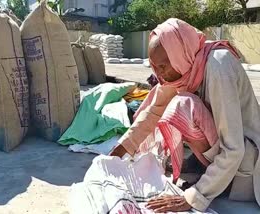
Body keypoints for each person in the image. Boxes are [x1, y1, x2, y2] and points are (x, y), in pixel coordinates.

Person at [110, 18, 260, 213]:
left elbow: (234, 149)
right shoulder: (188, 65)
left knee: (183, 106)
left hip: (246, 168)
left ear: (178, 53)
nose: (160, 75)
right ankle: (206, 169)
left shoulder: (218, 67)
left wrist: (195, 196)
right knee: (169, 99)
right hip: (229, 157)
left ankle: (219, 181)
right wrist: (118, 152)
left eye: (163, 67)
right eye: (156, 68)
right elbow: (155, 109)